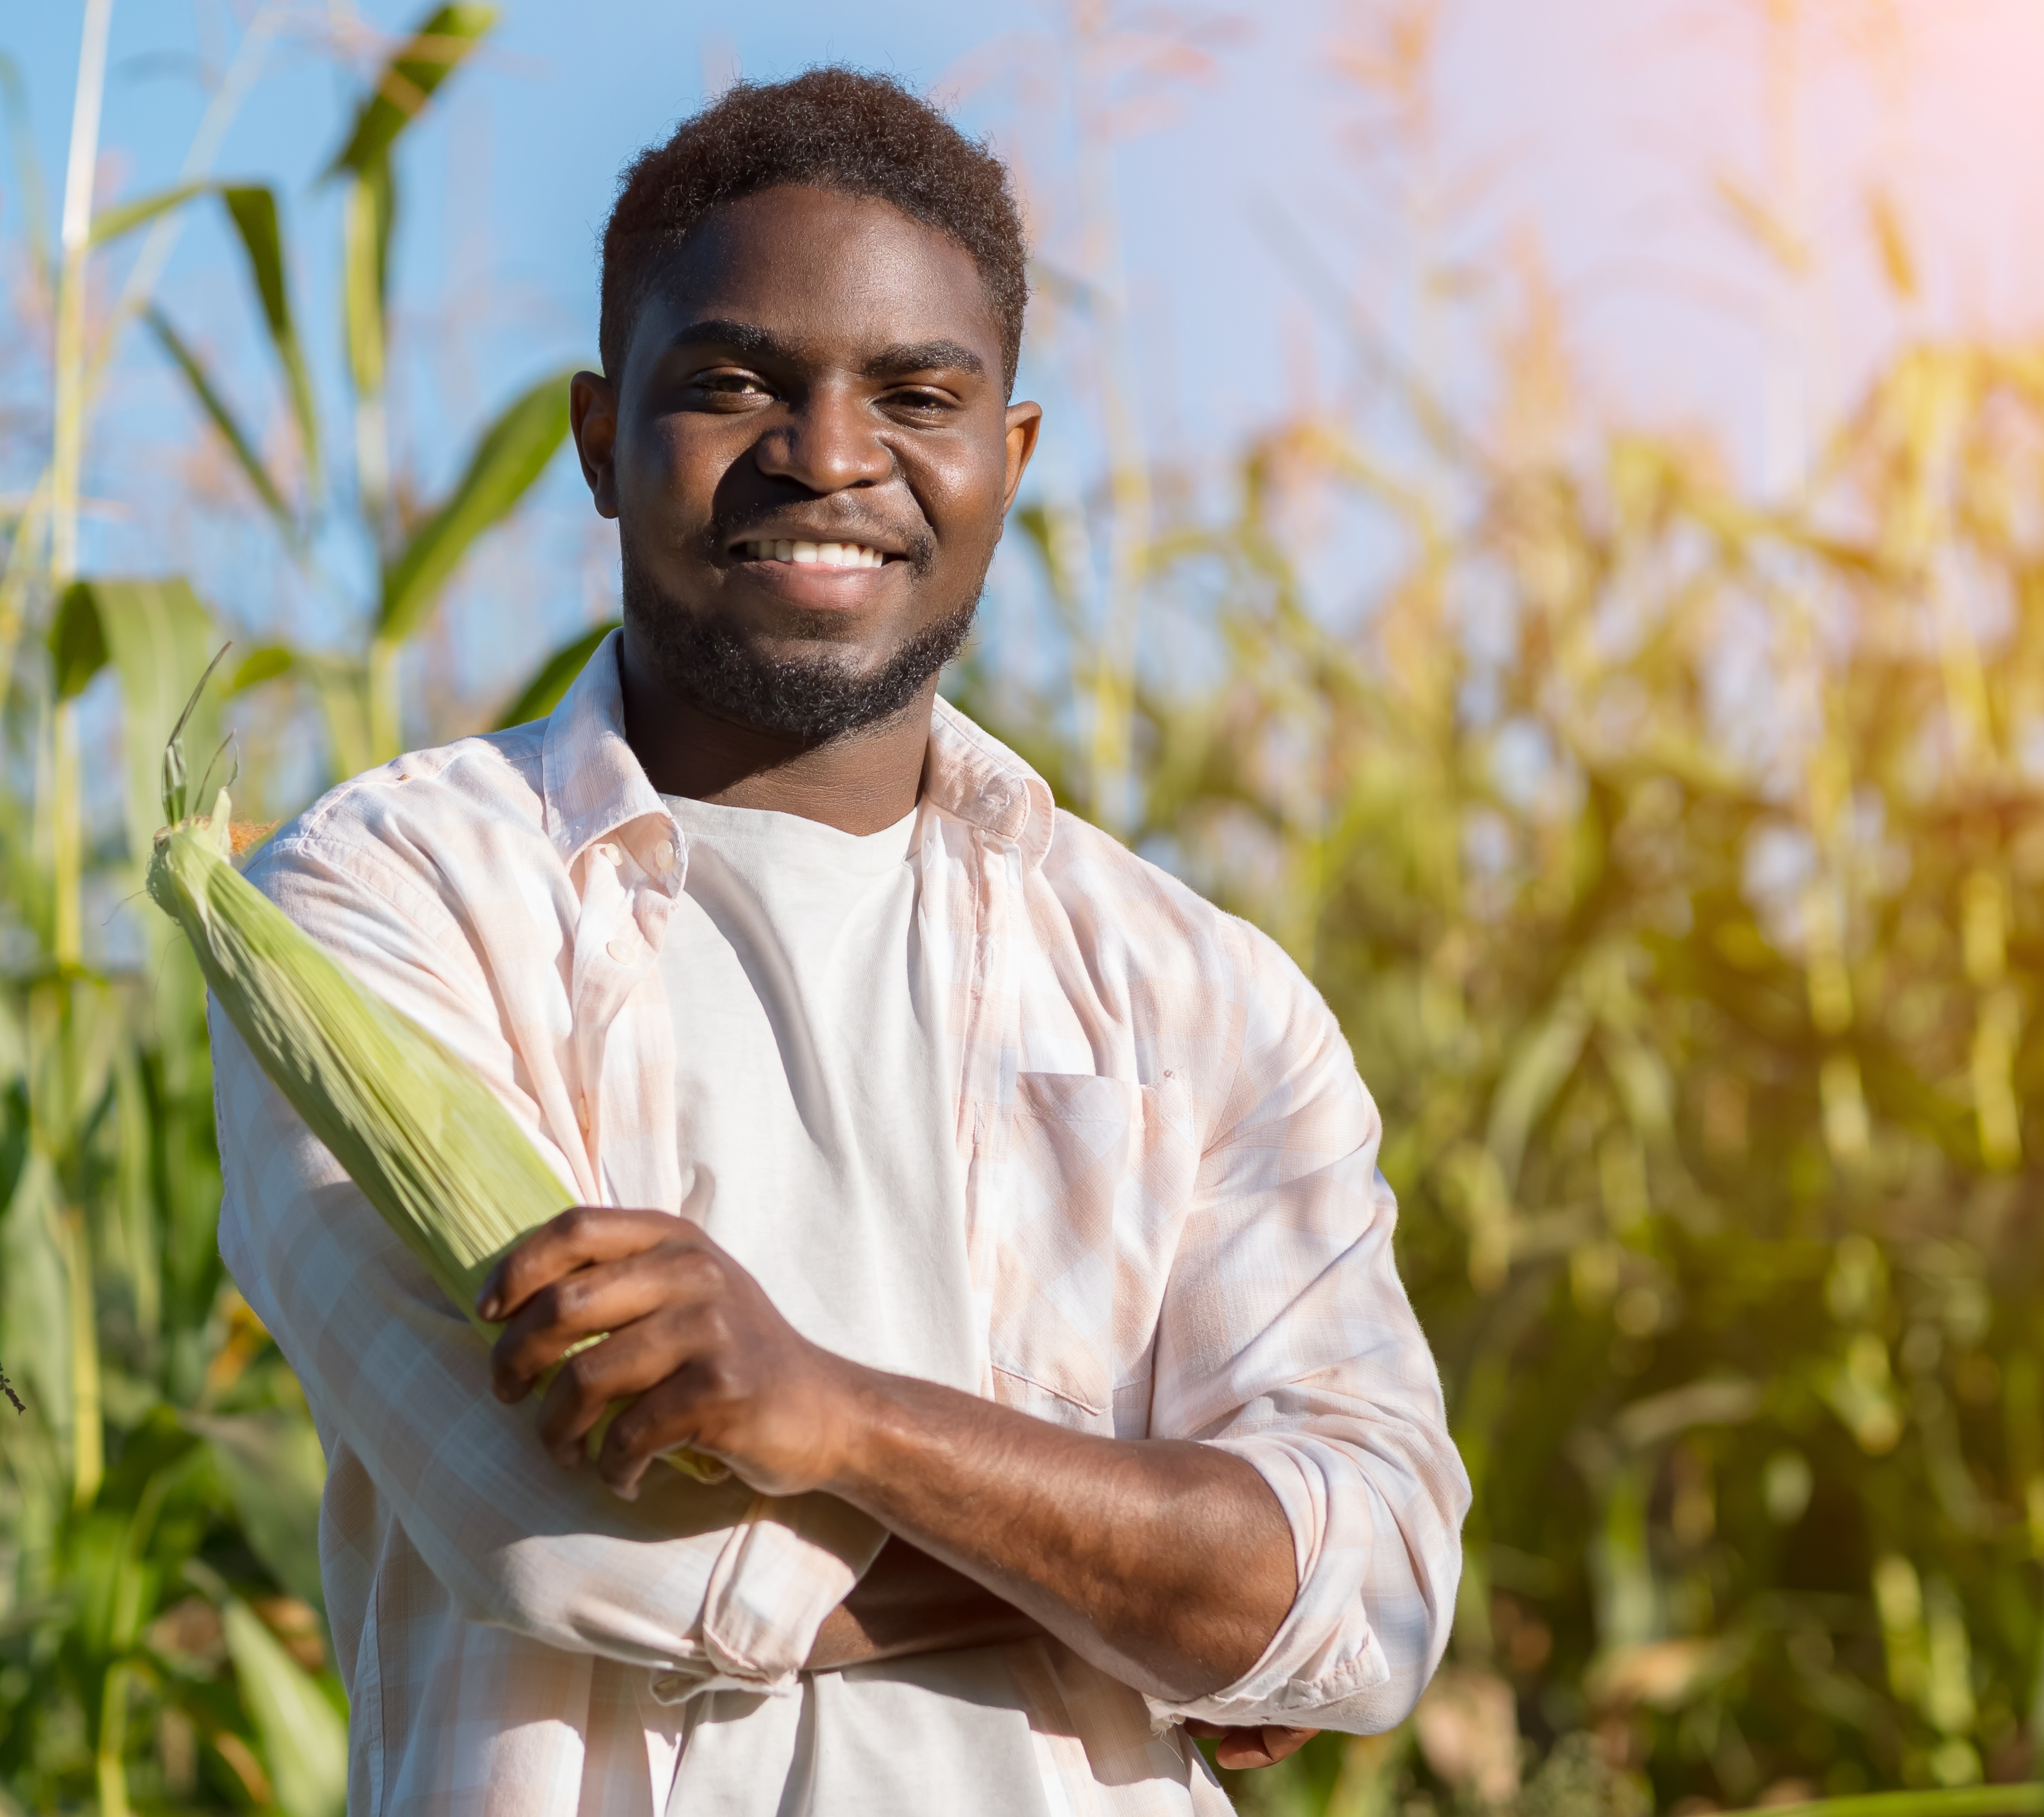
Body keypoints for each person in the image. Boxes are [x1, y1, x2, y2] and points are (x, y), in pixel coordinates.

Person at [213, 66, 1469, 1817]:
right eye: (734, 383)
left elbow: (1382, 1587)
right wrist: (1171, 1593)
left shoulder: (1202, 993)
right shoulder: (393, 901)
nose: (827, 452)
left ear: (1007, 460)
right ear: (598, 440)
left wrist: (839, 1410)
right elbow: (572, 1541)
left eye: (915, 392)